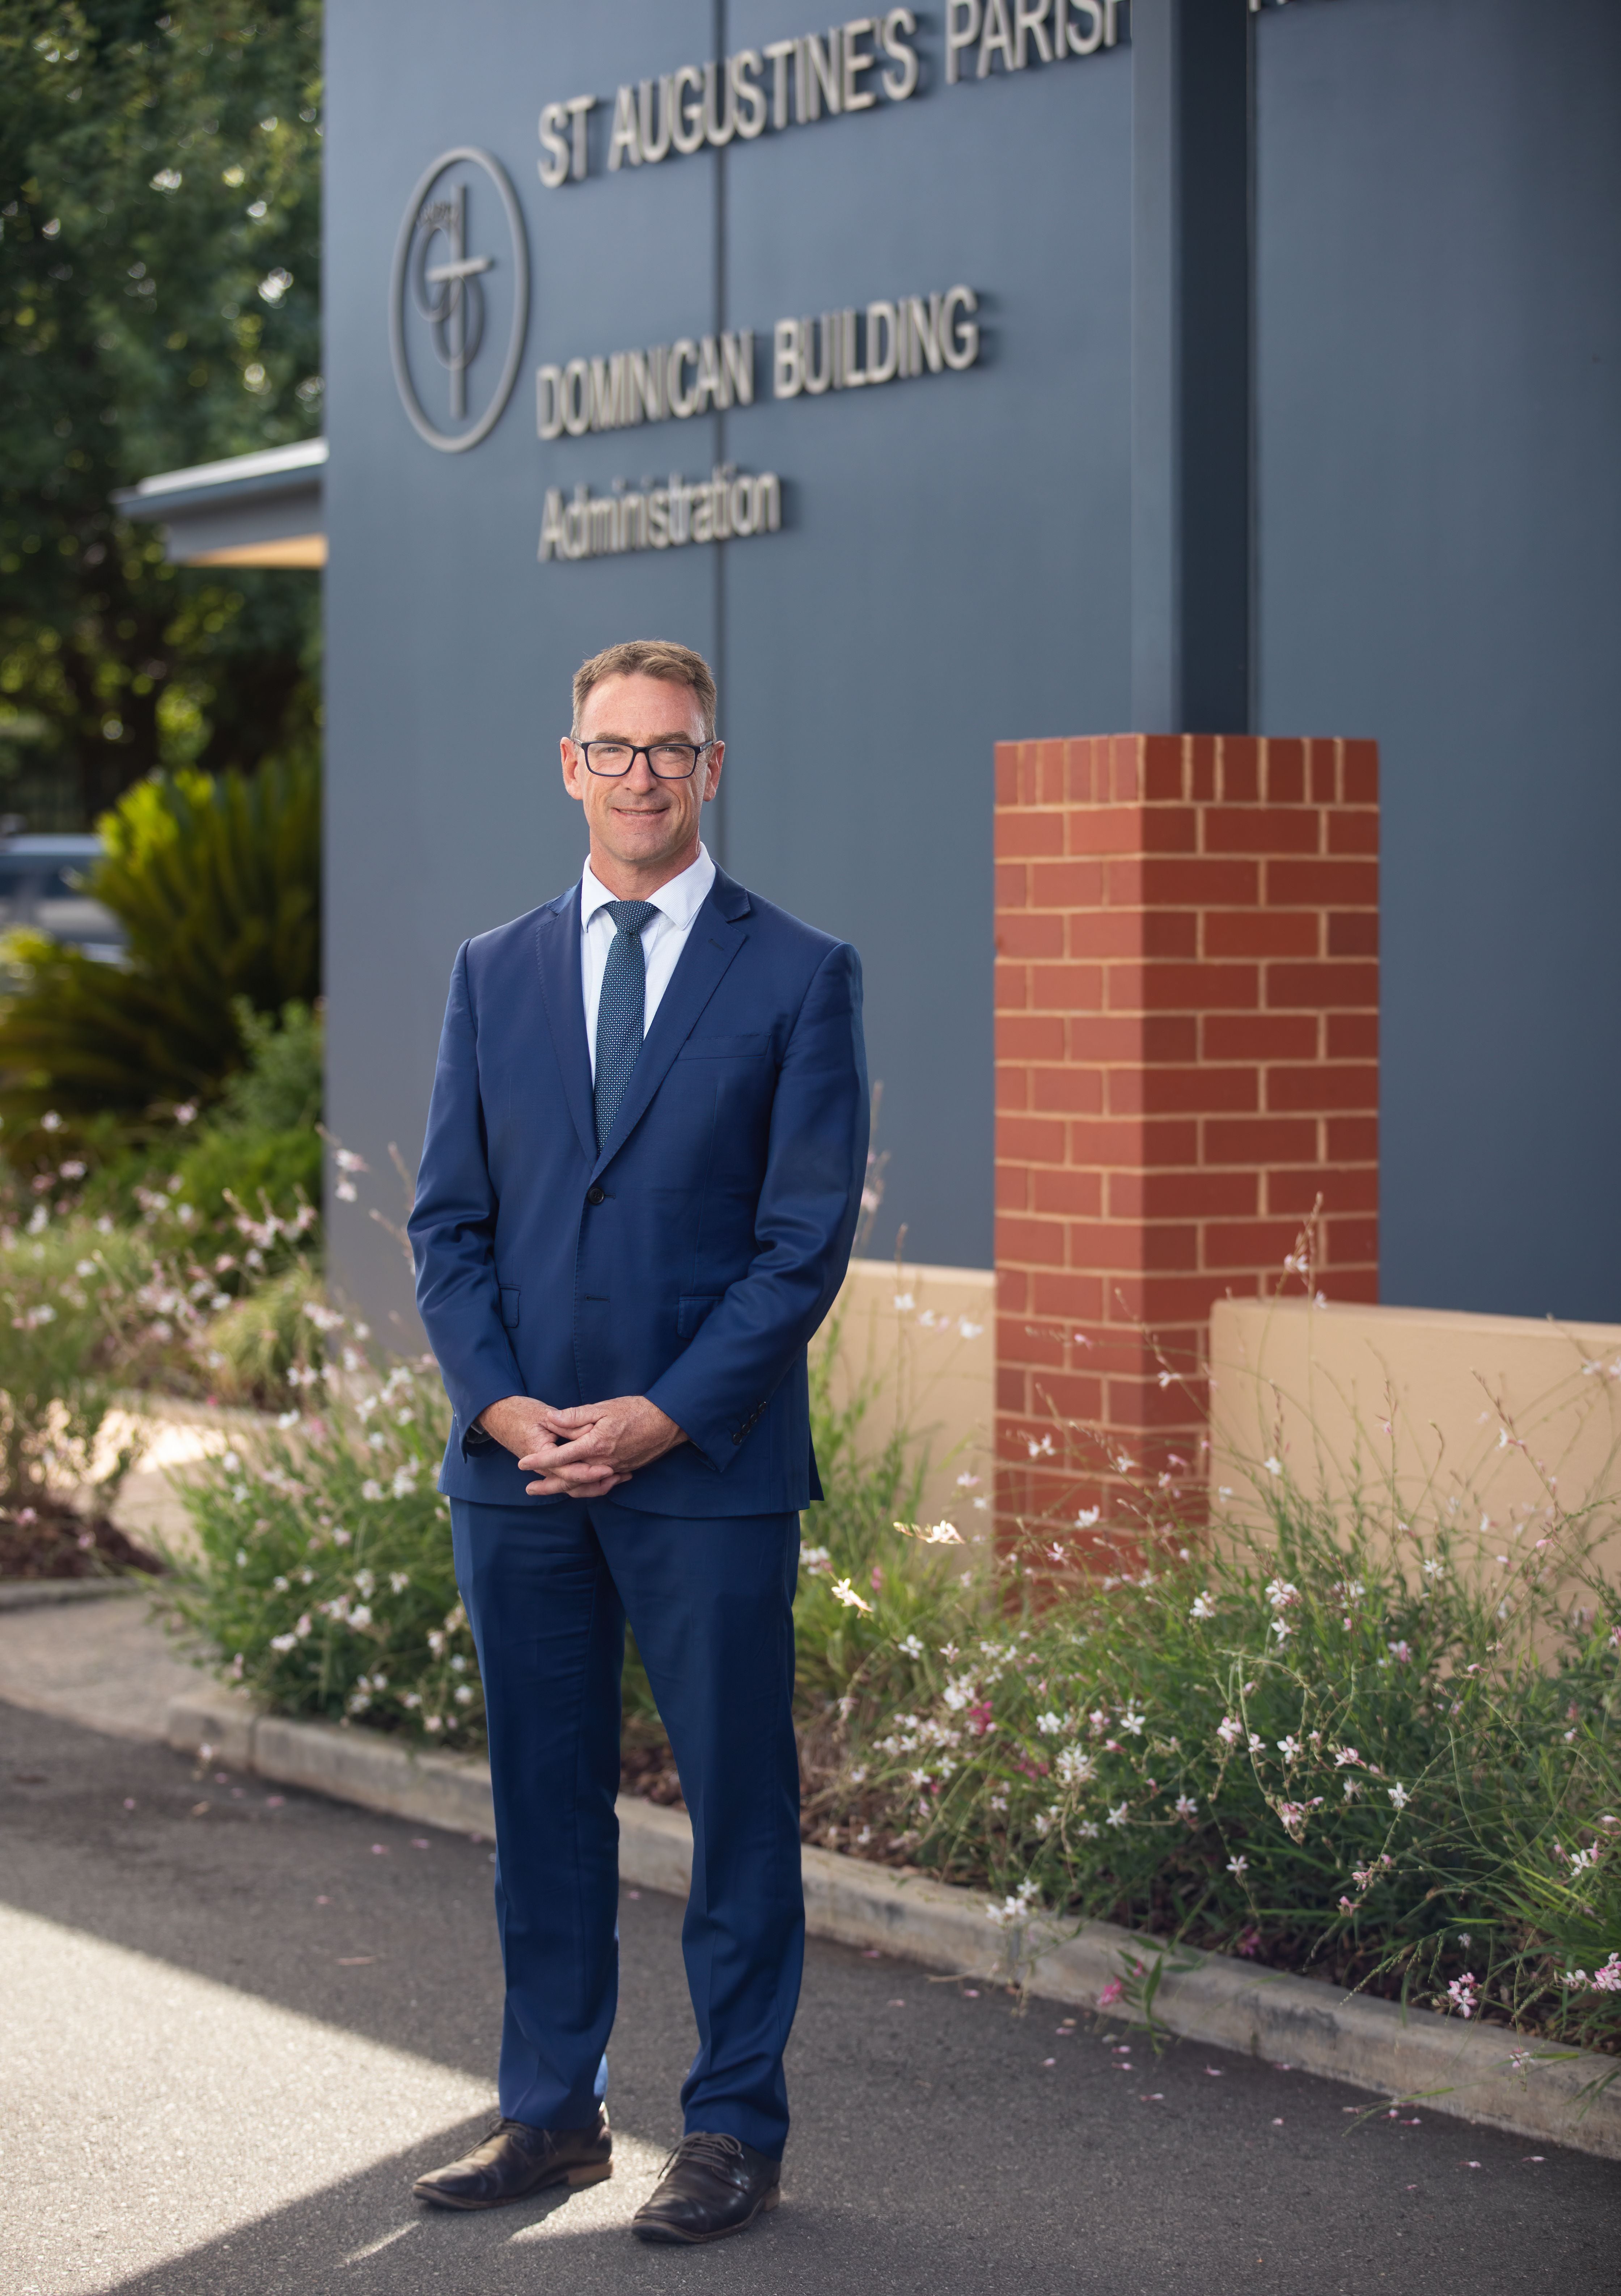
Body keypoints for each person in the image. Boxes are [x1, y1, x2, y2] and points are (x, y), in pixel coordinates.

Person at [405, 639, 868, 2245]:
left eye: (672, 749)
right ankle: (552, 2113)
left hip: (709, 1473)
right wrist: (499, 1404)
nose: (642, 775)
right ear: (569, 765)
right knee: (543, 1805)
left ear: (712, 769)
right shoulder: (492, 971)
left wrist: (664, 1413)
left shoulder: (801, 972)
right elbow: (448, 1226)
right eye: (613, 748)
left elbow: (800, 1246)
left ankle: (732, 2127)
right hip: (518, 1468)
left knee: (736, 1808)